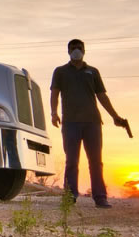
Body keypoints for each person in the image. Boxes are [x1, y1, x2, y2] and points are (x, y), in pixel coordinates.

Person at [50, 38, 127, 208]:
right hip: (70, 123)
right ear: (68, 51)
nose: (76, 50)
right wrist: (54, 113)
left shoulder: (92, 72)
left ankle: (100, 197)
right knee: (71, 161)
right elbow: (54, 93)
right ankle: (70, 197)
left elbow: (102, 96)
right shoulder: (60, 72)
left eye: (79, 47)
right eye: (73, 48)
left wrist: (115, 116)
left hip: (92, 122)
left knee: (95, 161)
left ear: (84, 50)